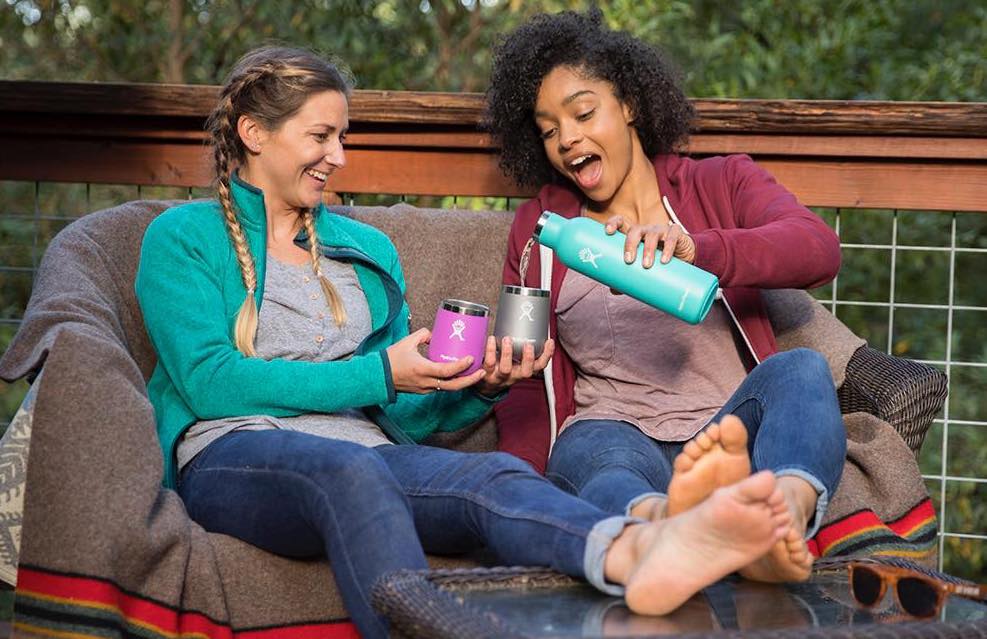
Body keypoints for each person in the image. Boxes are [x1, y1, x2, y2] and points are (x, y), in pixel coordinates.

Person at [135, 45, 797, 639]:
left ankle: (642, 550)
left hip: (369, 452)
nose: (338, 156)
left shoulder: (364, 251)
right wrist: (381, 374)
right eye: (320, 136)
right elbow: (210, 379)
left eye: (342, 136)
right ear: (254, 133)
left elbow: (399, 416)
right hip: (234, 454)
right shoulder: (183, 237)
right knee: (349, 468)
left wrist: (480, 382)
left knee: (493, 477)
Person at [485, 9, 848, 584]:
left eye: (583, 112)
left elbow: (817, 249)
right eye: (549, 130)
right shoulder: (539, 228)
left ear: (628, 103)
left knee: (802, 371)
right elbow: (522, 363)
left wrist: (697, 250)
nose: (568, 139)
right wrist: (516, 490)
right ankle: (668, 537)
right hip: (613, 432)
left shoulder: (721, 183)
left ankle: (778, 529)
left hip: (727, 431)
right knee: (598, 467)